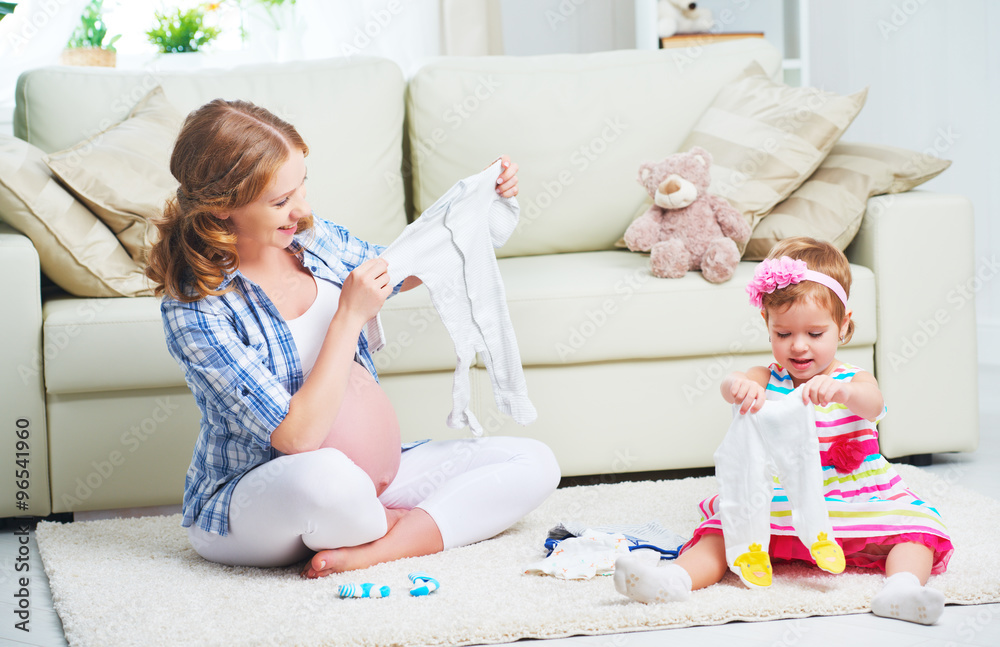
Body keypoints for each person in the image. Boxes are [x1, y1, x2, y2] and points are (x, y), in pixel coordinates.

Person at [145, 98, 560, 578]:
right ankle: (403, 526)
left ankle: (376, 545)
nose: (301, 210)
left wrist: (476, 203)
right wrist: (347, 317)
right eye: (280, 201)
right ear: (221, 211)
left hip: (378, 477)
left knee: (533, 461)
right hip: (265, 499)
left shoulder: (313, 240)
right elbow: (296, 440)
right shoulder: (198, 309)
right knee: (328, 479)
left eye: (302, 186)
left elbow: (400, 270)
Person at [614, 237, 952, 625]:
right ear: (768, 327)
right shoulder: (767, 376)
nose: (799, 347)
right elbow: (733, 383)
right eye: (783, 334)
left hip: (851, 492)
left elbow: (872, 403)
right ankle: (674, 580)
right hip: (778, 494)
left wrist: (843, 392)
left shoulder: (852, 378)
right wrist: (738, 387)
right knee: (724, 531)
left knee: (915, 531)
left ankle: (902, 589)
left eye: (815, 333)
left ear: (843, 326)